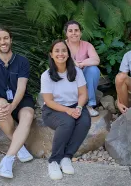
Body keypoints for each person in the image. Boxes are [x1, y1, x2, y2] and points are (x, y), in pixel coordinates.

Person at [0, 26, 35, 179]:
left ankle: (8, 159)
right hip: (1, 100)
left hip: (21, 99)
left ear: (11, 39)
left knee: (27, 115)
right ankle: (19, 147)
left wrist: (13, 105)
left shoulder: (22, 61)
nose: (2, 42)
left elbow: (21, 87)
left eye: (5, 38)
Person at [40, 39, 91, 180]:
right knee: (67, 122)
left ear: (68, 54)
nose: (60, 53)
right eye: (57, 51)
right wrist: (68, 111)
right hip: (53, 110)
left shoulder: (76, 72)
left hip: (75, 105)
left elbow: (83, 94)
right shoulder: (46, 76)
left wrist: (79, 107)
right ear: (51, 54)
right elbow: (49, 101)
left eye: (64, 50)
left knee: (85, 122)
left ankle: (67, 157)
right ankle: (54, 161)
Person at [64, 20, 100, 117]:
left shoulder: (87, 45)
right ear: (66, 33)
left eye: (76, 30)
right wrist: (73, 64)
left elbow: (96, 60)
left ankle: (89, 105)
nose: (74, 33)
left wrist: (81, 64)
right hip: (67, 77)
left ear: (81, 32)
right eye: (70, 31)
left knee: (93, 70)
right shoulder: (62, 45)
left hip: (84, 79)